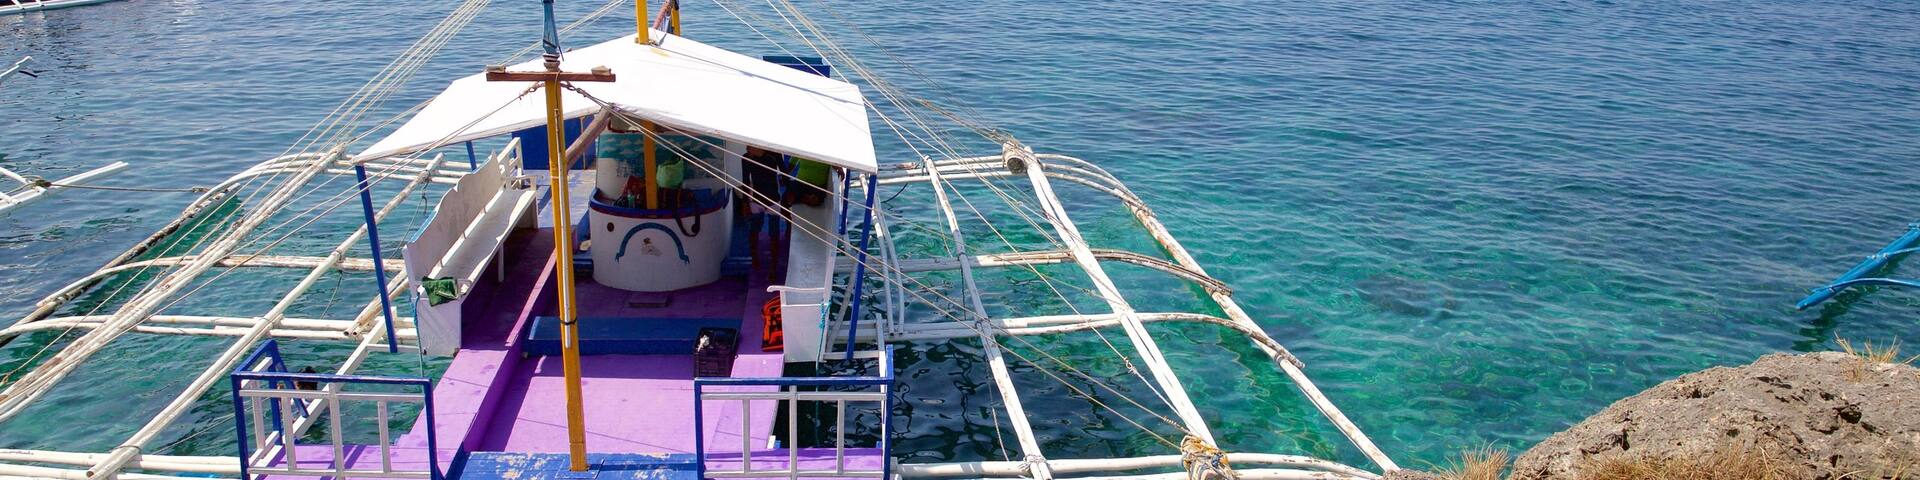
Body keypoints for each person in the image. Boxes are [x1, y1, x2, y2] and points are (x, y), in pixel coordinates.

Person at [738, 146, 789, 282]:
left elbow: (784, 174)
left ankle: (773, 268)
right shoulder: (746, 158)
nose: (747, 148)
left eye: (750, 146)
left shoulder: (774, 154)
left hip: (773, 200)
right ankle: (754, 257)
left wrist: (789, 195)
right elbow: (745, 181)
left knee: (774, 234)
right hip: (756, 201)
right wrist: (745, 203)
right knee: (753, 231)